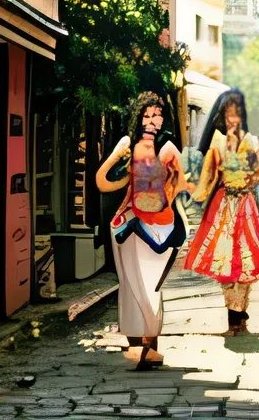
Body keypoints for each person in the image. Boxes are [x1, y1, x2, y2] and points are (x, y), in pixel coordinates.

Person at [96, 91, 189, 370]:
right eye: (147, 115)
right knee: (132, 286)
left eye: (157, 115)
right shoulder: (127, 146)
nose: (152, 121)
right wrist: (119, 163)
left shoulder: (169, 149)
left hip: (160, 226)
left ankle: (150, 346)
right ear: (138, 118)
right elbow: (104, 182)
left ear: (165, 118)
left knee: (151, 287)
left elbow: (180, 184)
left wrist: (164, 198)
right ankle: (139, 348)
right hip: (130, 223)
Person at [184, 89, 259, 332]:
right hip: (223, 205)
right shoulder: (217, 144)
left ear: (242, 115)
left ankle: (239, 306)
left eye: (235, 115)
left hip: (246, 204)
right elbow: (207, 178)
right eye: (227, 116)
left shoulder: (253, 142)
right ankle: (233, 310)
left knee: (246, 255)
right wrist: (189, 190)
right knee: (225, 257)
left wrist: (249, 183)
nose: (231, 120)